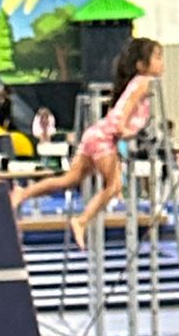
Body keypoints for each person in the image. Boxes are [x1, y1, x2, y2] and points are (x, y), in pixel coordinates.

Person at [10, 38, 165, 244]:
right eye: (157, 57)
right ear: (141, 65)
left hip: (95, 133)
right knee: (114, 186)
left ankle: (23, 193)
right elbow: (122, 114)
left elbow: (116, 110)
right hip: (106, 137)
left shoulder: (134, 83)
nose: (162, 62)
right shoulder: (144, 83)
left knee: (69, 180)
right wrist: (126, 131)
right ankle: (81, 221)